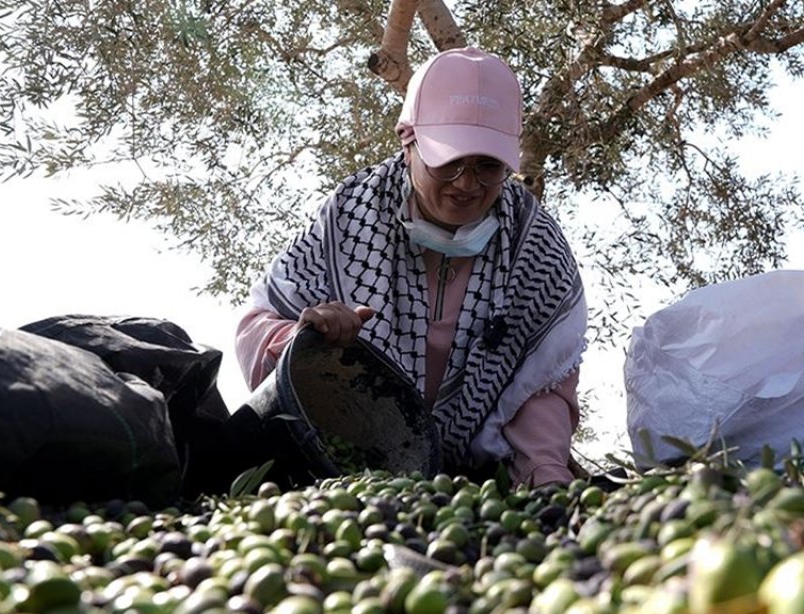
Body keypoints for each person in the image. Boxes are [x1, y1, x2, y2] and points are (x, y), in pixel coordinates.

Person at [235, 47, 588, 487]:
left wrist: (544, 472)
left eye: (487, 166)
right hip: (338, 475)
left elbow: (541, 386)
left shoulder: (534, 246)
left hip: (472, 486)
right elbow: (256, 326)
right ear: (408, 141)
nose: (466, 184)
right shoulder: (350, 217)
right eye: (449, 162)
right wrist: (305, 339)